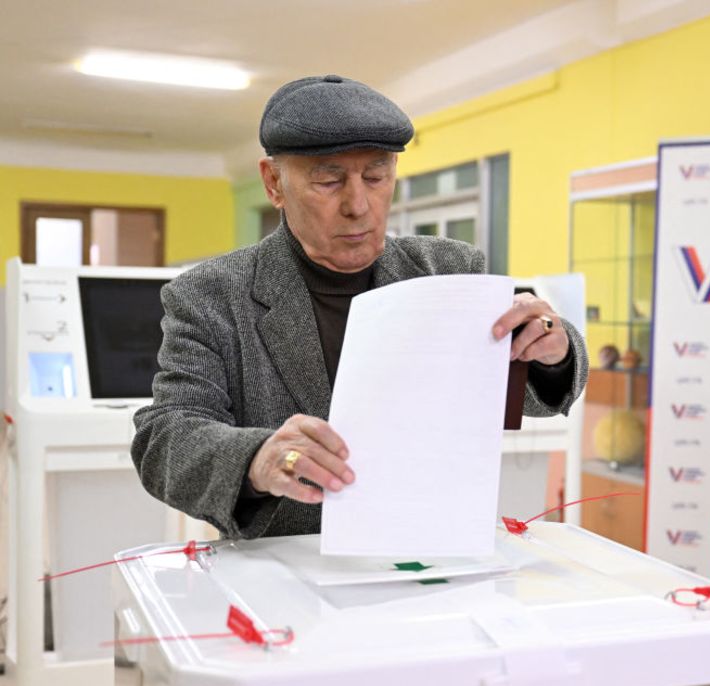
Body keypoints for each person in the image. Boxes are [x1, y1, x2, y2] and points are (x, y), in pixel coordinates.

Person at [131, 75, 588, 539]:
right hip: (285, 566)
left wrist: (553, 350)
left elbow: (513, 397)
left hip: (432, 550)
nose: (358, 205)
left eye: (376, 176)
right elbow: (166, 437)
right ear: (273, 183)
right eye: (328, 180)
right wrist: (257, 457)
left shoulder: (447, 271)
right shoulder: (211, 295)